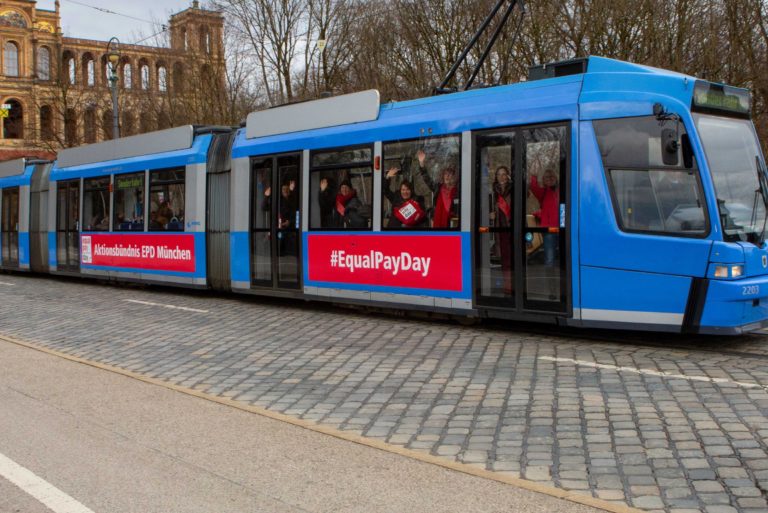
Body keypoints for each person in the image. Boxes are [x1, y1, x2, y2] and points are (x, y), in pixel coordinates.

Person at [417, 149, 459, 228]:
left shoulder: (457, 191)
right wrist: (421, 163)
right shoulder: (438, 188)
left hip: (452, 226)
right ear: (443, 176)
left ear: (453, 177)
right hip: (437, 225)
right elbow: (427, 179)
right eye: (445, 174)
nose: (447, 176)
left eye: (450, 174)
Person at [529, 168, 560, 266]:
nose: (549, 179)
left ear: (556, 178)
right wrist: (533, 176)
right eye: (546, 177)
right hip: (549, 231)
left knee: (567, 258)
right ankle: (549, 281)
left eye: (551, 176)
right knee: (549, 259)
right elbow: (534, 187)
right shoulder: (543, 192)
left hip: (565, 229)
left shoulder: (564, 190)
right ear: (543, 180)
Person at [492, 166, 513, 294]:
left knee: (513, 258)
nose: (501, 177)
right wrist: (491, 214)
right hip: (500, 228)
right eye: (499, 174)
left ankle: (514, 285)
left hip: (512, 227)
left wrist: (513, 182)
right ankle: (507, 285)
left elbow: (526, 193)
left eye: (504, 174)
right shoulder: (493, 191)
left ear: (508, 176)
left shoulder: (513, 188)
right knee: (505, 260)